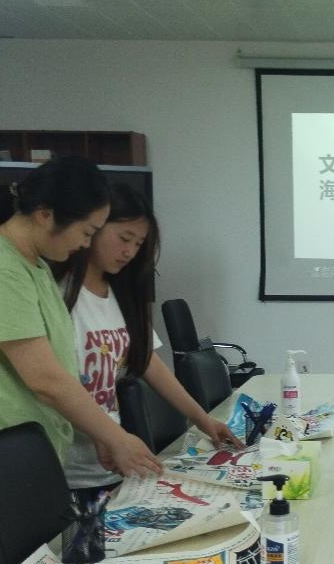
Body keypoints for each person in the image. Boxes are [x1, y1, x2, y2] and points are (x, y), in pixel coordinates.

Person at [0, 157, 162, 481]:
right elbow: (46, 380)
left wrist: (98, 432)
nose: (85, 243)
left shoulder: (34, 267)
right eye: (86, 231)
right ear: (45, 215)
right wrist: (116, 437)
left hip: (28, 456)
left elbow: (58, 368)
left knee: (77, 523)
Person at [57, 182, 240, 497]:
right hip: (69, 468)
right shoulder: (60, 295)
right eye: (124, 238)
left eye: (139, 243)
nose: (130, 252)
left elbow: (147, 363)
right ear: (93, 228)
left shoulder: (121, 295)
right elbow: (53, 385)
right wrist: (108, 436)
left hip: (115, 463)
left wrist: (202, 419)